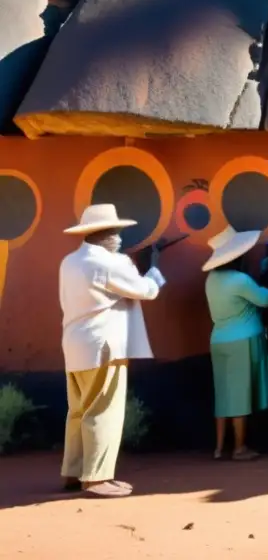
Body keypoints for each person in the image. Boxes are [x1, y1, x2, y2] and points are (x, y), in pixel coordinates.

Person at [58, 204, 166, 498]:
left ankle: (73, 471)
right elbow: (146, 290)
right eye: (111, 232)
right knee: (103, 409)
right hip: (104, 344)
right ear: (96, 234)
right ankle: (96, 478)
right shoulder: (107, 262)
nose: (117, 237)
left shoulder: (70, 261)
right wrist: (154, 268)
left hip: (75, 343)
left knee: (78, 411)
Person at [202, 225, 268, 462]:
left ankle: (218, 447)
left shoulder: (211, 279)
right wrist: (266, 275)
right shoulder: (240, 279)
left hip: (219, 340)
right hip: (243, 341)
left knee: (223, 394)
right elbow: (265, 299)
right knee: (240, 395)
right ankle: (239, 448)